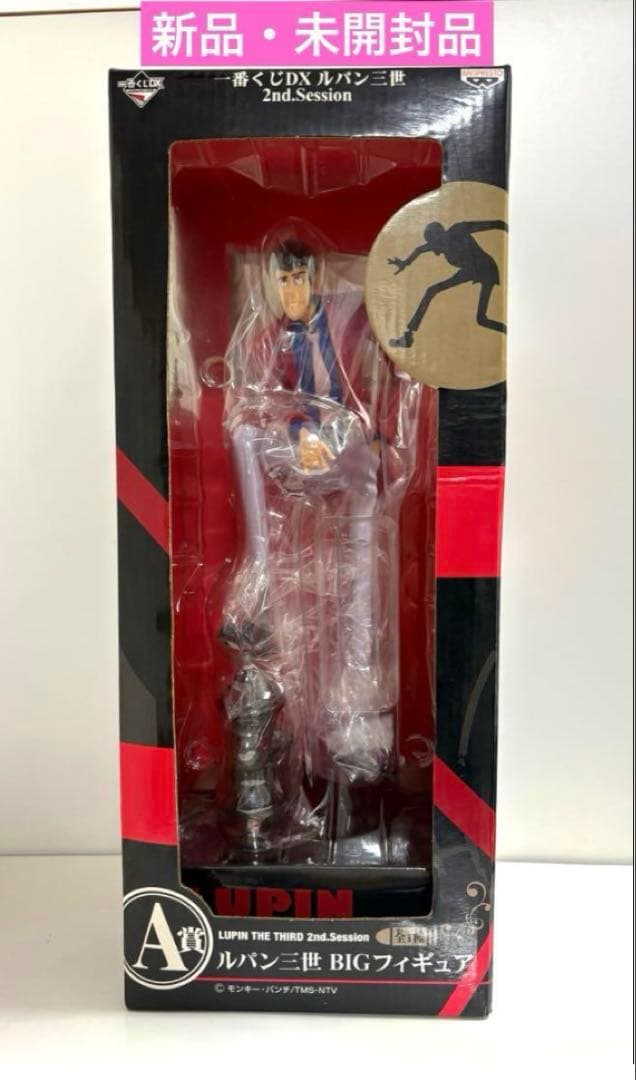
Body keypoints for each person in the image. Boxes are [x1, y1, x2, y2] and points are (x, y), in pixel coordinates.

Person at [388, 219, 508, 347]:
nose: (435, 251)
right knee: (432, 291)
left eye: (434, 243)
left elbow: (496, 224)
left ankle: (512, 331)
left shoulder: (459, 229)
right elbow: (419, 249)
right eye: (432, 244)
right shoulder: (438, 243)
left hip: (486, 268)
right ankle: (408, 335)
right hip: (468, 271)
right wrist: (404, 263)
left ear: (440, 235)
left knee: (481, 318)